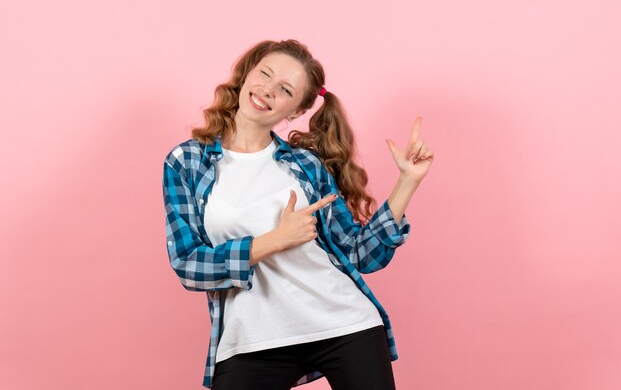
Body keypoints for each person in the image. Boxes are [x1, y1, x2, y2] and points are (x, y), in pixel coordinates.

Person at [161, 39, 434, 390]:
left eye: (285, 90)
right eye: (265, 74)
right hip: (252, 340)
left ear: (293, 112)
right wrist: (274, 240)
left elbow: (359, 254)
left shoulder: (305, 166)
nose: (267, 91)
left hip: (343, 325)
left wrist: (407, 183)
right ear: (247, 74)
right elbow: (188, 264)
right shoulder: (187, 162)